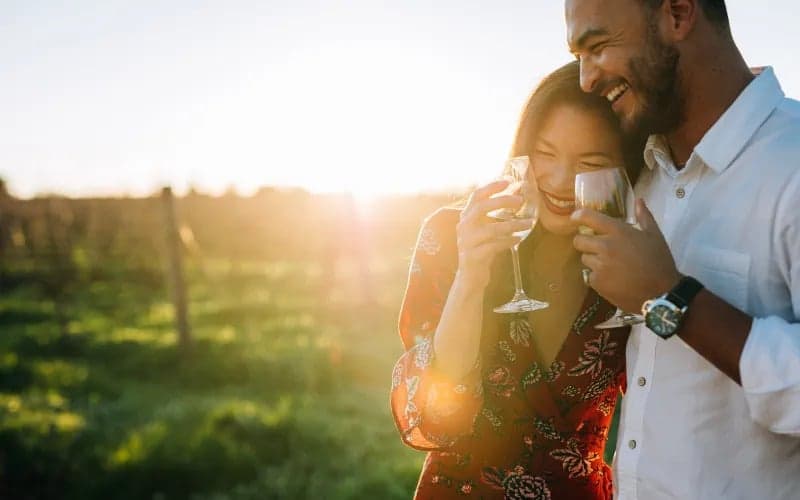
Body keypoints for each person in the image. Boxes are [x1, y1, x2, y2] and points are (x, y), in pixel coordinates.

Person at [566, 1, 800, 498]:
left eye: (597, 45)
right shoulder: (634, 173)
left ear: (677, 14)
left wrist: (670, 298)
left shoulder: (793, 164)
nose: (585, 79)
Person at [390, 61, 645, 499]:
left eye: (591, 162)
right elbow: (434, 420)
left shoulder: (629, 260)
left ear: (623, 170)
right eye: (545, 154)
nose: (561, 181)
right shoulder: (451, 235)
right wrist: (471, 276)